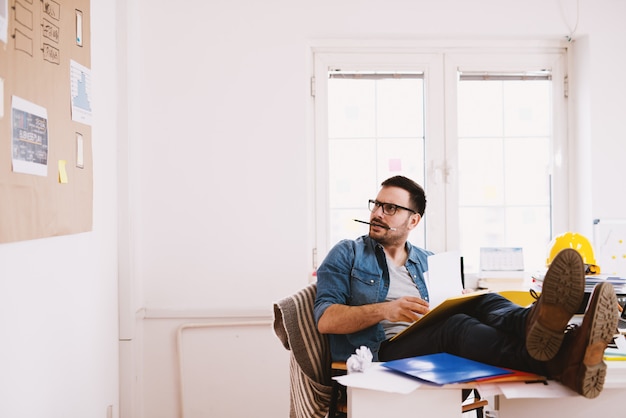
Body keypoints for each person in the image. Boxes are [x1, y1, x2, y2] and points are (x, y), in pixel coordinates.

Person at [314, 175, 619, 398]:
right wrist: (387, 309)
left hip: (422, 339)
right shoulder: (348, 253)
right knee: (457, 326)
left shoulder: (428, 260)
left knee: (483, 301)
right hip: (383, 353)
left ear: (413, 220)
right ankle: (566, 353)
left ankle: (537, 325)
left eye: (390, 208)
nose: (378, 213)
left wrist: (459, 299)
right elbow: (326, 320)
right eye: (377, 204)